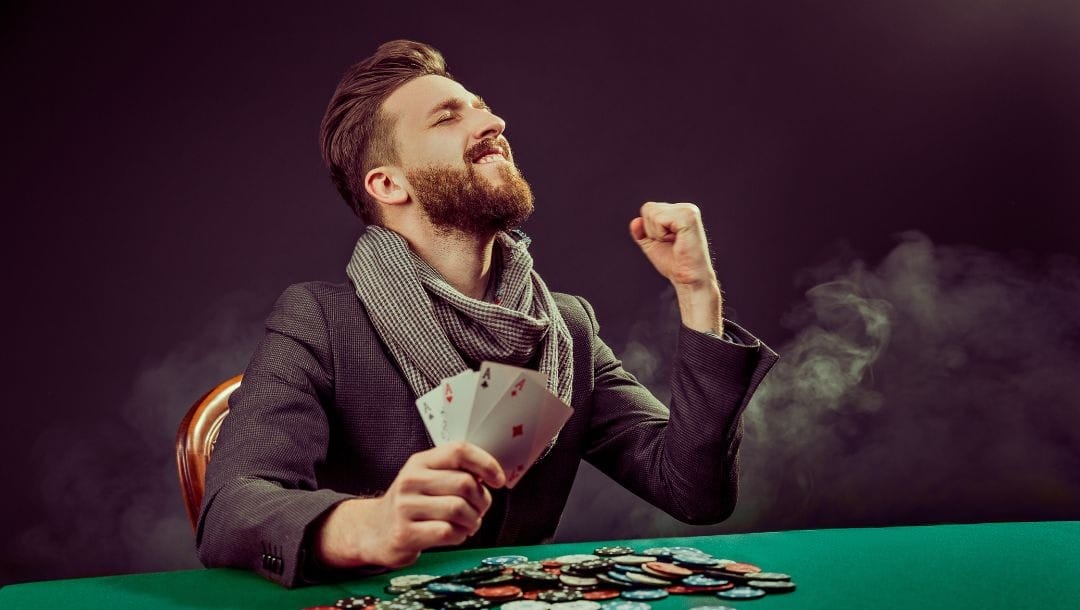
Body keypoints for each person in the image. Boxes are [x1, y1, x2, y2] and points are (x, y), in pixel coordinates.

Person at [196, 40, 778, 588]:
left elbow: (693, 490)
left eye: (483, 109)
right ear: (388, 184)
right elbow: (231, 507)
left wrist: (697, 291)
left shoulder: (566, 329)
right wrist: (369, 525)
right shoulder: (321, 320)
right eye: (448, 117)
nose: (493, 123)